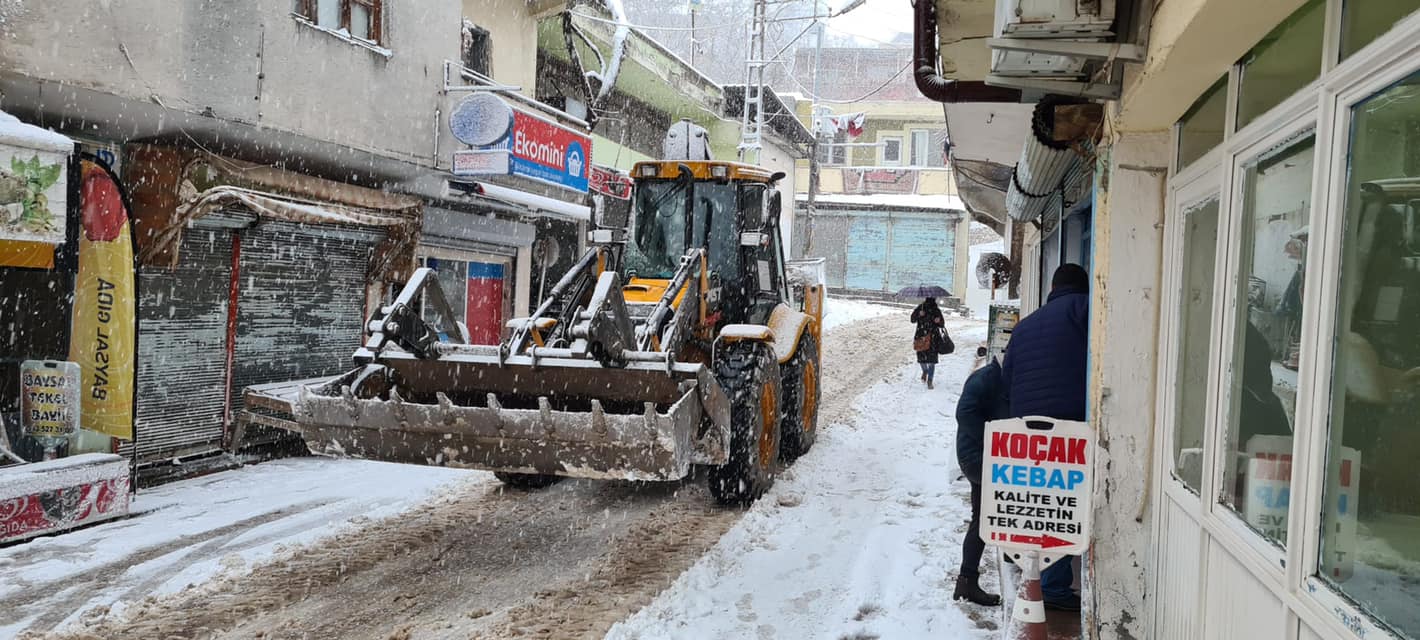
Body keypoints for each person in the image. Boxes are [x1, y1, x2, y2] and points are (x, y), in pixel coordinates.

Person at [1000, 263, 1089, 612]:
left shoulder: (1025, 326)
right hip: (1072, 428)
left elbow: (1007, 383)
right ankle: (1053, 586)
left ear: (1053, 286)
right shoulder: (1086, 311)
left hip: (1028, 431)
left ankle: (1030, 565)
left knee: (1038, 502)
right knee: (1067, 505)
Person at [953, 345, 1007, 607]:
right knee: (985, 517)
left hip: (983, 455)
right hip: (977, 458)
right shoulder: (986, 378)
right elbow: (964, 413)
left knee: (986, 516)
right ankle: (967, 581)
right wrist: (992, 445)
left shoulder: (999, 377)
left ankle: (966, 581)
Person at [910, 297, 945, 389]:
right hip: (922, 337)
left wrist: (939, 321)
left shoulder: (936, 311)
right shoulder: (920, 308)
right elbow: (912, 319)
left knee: (931, 360)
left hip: (932, 338)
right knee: (922, 359)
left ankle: (930, 380)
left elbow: (942, 324)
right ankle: (925, 371)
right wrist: (919, 314)